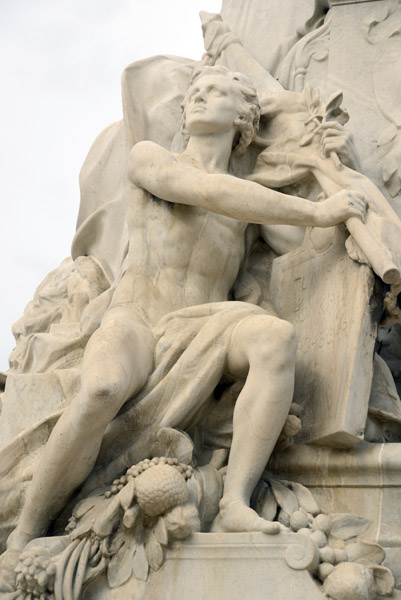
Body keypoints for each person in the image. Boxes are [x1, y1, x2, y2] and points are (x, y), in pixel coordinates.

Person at [0, 64, 367, 591]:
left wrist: (331, 167)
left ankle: (236, 500)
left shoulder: (254, 198)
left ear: (242, 117)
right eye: (193, 93)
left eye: (213, 91)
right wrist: (320, 210)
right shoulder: (152, 159)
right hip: (137, 319)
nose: (197, 98)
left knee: (274, 337)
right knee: (102, 386)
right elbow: (209, 192)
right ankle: (25, 533)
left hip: (206, 321)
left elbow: (300, 249)